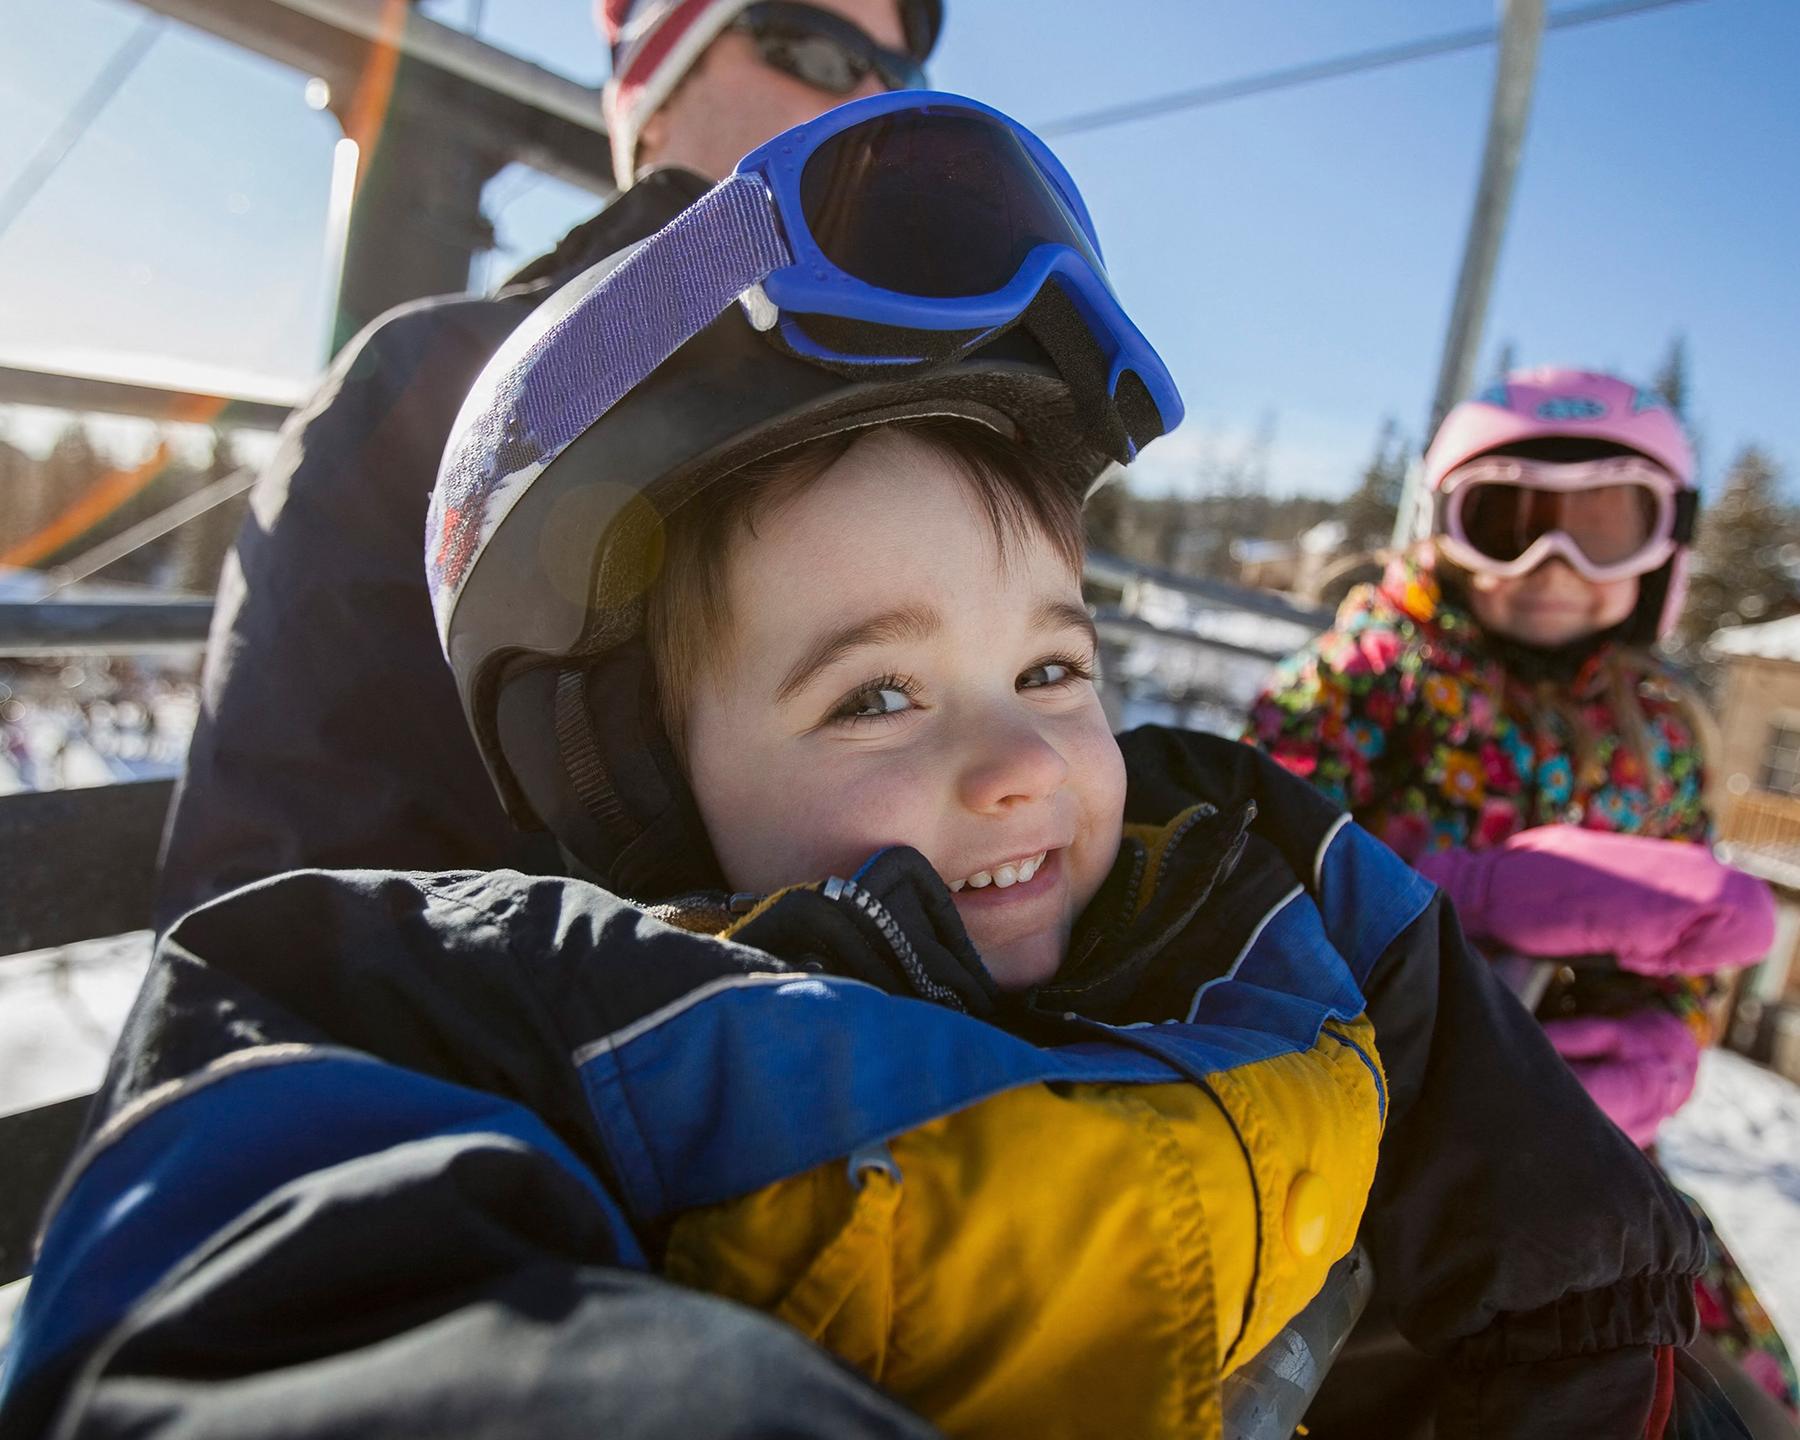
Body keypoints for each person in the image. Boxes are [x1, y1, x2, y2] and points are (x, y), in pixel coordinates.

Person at [3, 104, 1747, 1439]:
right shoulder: (541, 1011)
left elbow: (1563, 1255)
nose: (1018, 765)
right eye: (878, 696)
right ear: (639, 776)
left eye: (1050, 666)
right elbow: (284, 1294)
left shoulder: (1245, 883)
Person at [153, 0, 943, 929]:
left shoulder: (949, 405)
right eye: (813, 47)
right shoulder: (431, 387)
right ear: (656, 92)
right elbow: (282, 893)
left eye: (902, 80)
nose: (871, 101)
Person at [1246, 366, 1794, 1429]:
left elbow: (1687, 949)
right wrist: (1446, 885)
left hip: (1593, 1159)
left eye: (1603, 527)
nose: (1553, 566)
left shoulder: (1661, 730)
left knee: (1733, 1398)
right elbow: (1247, 840)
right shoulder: (1372, 673)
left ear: (1665, 544)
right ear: (1441, 527)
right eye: (1507, 522)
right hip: (1373, 1138)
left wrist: (1663, 1048)